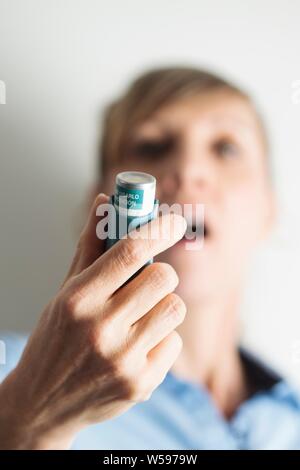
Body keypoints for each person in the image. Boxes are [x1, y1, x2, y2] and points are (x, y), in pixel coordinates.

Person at [1, 67, 300, 450]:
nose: (188, 171)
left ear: (268, 209)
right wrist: (30, 420)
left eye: (226, 147)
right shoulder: (11, 379)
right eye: (152, 146)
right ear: (100, 206)